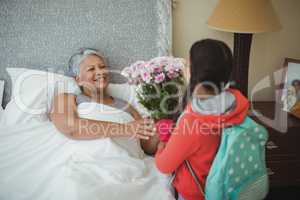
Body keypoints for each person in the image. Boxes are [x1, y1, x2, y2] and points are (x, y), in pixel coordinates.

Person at [155, 39, 250, 200]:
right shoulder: (237, 105)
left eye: (188, 64)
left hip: (198, 193)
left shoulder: (192, 122)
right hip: (227, 186)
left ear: (193, 71)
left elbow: (164, 166)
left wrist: (160, 147)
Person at [50, 48, 159, 155]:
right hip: (88, 162)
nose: (100, 72)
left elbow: (147, 146)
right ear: (78, 79)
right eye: (91, 69)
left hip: (126, 164)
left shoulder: (126, 106)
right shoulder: (66, 99)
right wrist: (126, 129)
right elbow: (70, 128)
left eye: (102, 67)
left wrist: (161, 124)